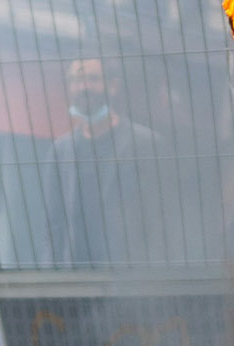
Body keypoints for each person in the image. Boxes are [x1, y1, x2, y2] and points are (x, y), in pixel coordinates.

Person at [48, 56, 163, 266]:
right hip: (76, 274)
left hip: (128, 274)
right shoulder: (61, 150)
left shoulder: (145, 144)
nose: (83, 87)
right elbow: (55, 222)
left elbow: (158, 216)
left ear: (113, 86)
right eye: (76, 80)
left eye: (92, 79)